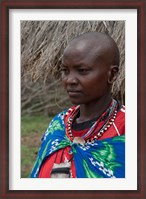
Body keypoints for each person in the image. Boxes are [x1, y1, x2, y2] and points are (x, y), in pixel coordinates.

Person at [30, 32, 125, 178]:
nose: (69, 80)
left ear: (112, 74)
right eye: (65, 71)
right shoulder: (58, 124)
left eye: (82, 71)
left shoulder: (128, 128)